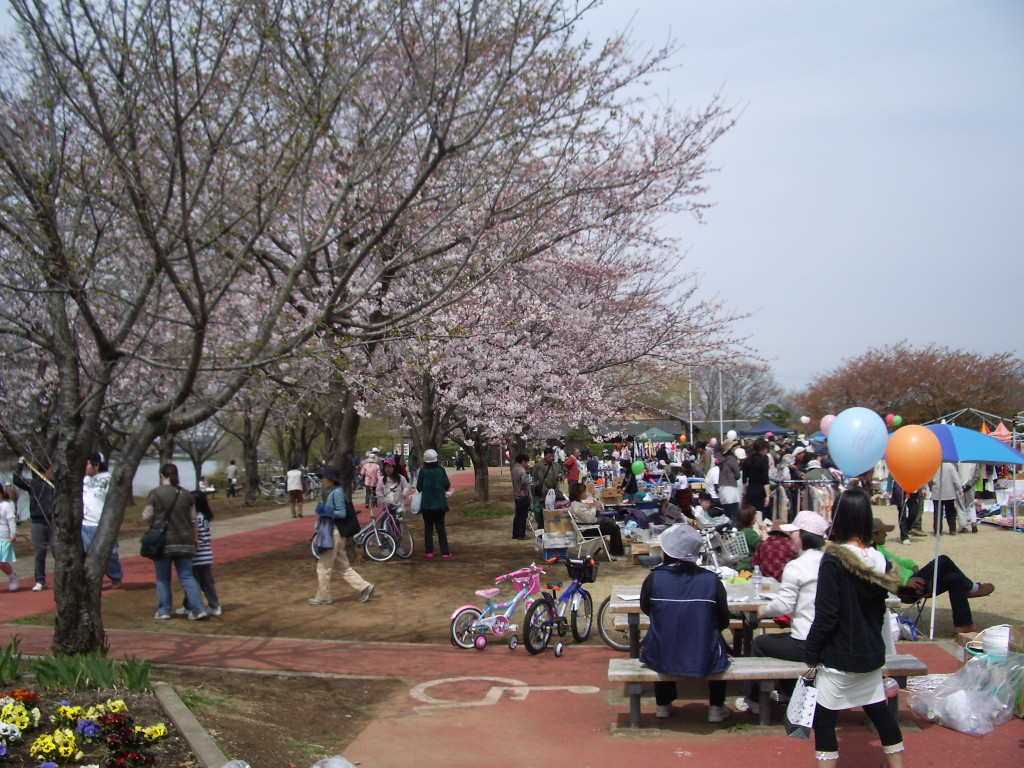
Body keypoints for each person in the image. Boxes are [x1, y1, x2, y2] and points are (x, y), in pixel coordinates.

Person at [803, 488, 905, 768]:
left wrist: (811, 651)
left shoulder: (834, 558)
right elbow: (877, 608)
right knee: (881, 715)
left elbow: (826, 614)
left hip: (839, 654)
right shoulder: (879, 559)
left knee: (824, 722)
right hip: (871, 651)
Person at [640, 523, 733, 723]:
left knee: (663, 633)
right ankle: (716, 706)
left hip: (662, 653)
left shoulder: (655, 579)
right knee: (717, 642)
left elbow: (646, 607)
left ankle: (663, 704)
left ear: (666, 552)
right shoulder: (711, 580)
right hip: (704, 653)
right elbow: (723, 618)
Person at [738, 510, 828, 714]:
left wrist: (764, 610)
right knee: (782, 642)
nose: (790, 538)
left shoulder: (797, 566)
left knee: (761, 644)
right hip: (830, 640)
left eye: (793, 533)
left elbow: (783, 606)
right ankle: (787, 692)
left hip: (806, 642)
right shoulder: (830, 562)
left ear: (803, 535)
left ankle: (754, 700)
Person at [870, 517, 993, 634]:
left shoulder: (880, 548)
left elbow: (900, 561)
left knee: (956, 578)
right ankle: (972, 588)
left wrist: (913, 566)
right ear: (874, 535)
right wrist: (905, 580)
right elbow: (883, 574)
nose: (886, 534)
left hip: (913, 580)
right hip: (905, 588)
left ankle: (963, 625)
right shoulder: (873, 552)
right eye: (883, 532)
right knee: (943, 560)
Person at [142, 463, 208, 620]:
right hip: (184, 540)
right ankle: (198, 609)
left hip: (163, 542)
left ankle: (164, 610)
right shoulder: (186, 494)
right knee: (187, 576)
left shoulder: (155, 493)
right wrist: (195, 538)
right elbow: (193, 520)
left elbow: (147, 517)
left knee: (163, 578)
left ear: (162, 476)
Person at [309, 465, 374, 604]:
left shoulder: (336, 492)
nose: (323, 480)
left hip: (334, 533)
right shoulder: (335, 491)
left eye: (325, 478)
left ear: (332, 479)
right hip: (334, 533)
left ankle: (323, 597)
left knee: (323, 567)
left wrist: (326, 511)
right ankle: (365, 587)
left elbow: (342, 513)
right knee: (343, 567)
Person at [11, 456, 56, 591]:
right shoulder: (34, 484)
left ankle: (63, 579)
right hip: (38, 523)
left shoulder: (57, 485)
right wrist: (20, 464)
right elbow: (16, 479)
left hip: (54, 523)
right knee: (39, 553)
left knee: (58, 552)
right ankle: (40, 580)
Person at [82, 452, 124, 588]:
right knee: (88, 556)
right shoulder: (85, 480)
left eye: (88, 463)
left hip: (102, 524)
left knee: (109, 554)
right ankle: (92, 580)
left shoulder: (109, 480)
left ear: (96, 465)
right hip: (85, 524)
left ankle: (116, 577)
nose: (86, 466)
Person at [177, 490, 222, 616]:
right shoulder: (206, 517)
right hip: (207, 555)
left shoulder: (196, 518)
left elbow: (194, 535)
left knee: (192, 583)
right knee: (207, 583)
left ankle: (192, 606)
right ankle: (214, 605)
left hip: (196, 555)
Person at [566, 483, 625, 557]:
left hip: (588, 527)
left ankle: (614, 551)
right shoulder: (577, 506)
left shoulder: (577, 504)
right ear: (579, 494)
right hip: (586, 530)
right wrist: (594, 507)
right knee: (615, 528)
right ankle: (617, 553)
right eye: (584, 492)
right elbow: (589, 519)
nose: (586, 493)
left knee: (612, 525)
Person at [417, 449, 452, 559]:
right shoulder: (441, 470)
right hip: (440, 503)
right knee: (440, 527)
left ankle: (429, 552)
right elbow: (447, 484)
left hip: (427, 504)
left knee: (428, 528)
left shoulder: (423, 471)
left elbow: (419, 487)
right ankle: (445, 552)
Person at [930, 461, 962, 536]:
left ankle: (938, 530)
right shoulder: (950, 466)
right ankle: (952, 529)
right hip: (949, 492)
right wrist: (960, 489)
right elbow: (956, 479)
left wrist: (931, 488)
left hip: (937, 492)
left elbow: (929, 479)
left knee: (938, 513)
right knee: (951, 512)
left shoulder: (933, 465)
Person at [531, 448, 561, 526]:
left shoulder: (556, 465)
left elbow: (562, 474)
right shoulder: (538, 466)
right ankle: (542, 527)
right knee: (542, 510)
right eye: (549, 456)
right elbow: (533, 478)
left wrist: (560, 477)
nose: (551, 458)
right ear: (545, 456)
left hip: (554, 490)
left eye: (552, 456)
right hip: (543, 491)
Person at [742, 438, 771, 514]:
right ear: (763, 449)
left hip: (750, 488)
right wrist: (768, 495)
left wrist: (745, 493)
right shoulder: (763, 460)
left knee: (751, 512)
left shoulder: (747, 460)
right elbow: (765, 479)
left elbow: (744, 479)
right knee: (761, 513)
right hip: (760, 489)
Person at [733, 505, 764, 572]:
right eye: (755, 515)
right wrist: (764, 530)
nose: (756, 517)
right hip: (749, 565)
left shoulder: (741, 531)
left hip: (741, 565)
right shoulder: (748, 532)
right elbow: (763, 546)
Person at [717, 440, 742, 523]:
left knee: (727, 515)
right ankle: (733, 532)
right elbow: (737, 475)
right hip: (731, 488)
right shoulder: (732, 459)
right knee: (734, 515)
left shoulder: (722, 460)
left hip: (722, 488)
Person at [0, 485, 19, 591]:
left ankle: (12, 576)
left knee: (2, 562)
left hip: (4, 536)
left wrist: (13, 533)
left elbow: (11, 520)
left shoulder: (6, 505)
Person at [511, 453, 532, 540]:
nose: (527, 464)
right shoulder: (522, 471)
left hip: (517, 495)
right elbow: (524, 482)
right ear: (523, 461)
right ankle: (521, 534)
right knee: (523, 516)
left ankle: (515, 534)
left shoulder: (514, 469)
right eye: (526, 462)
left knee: (517, 516)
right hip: (523, 495)